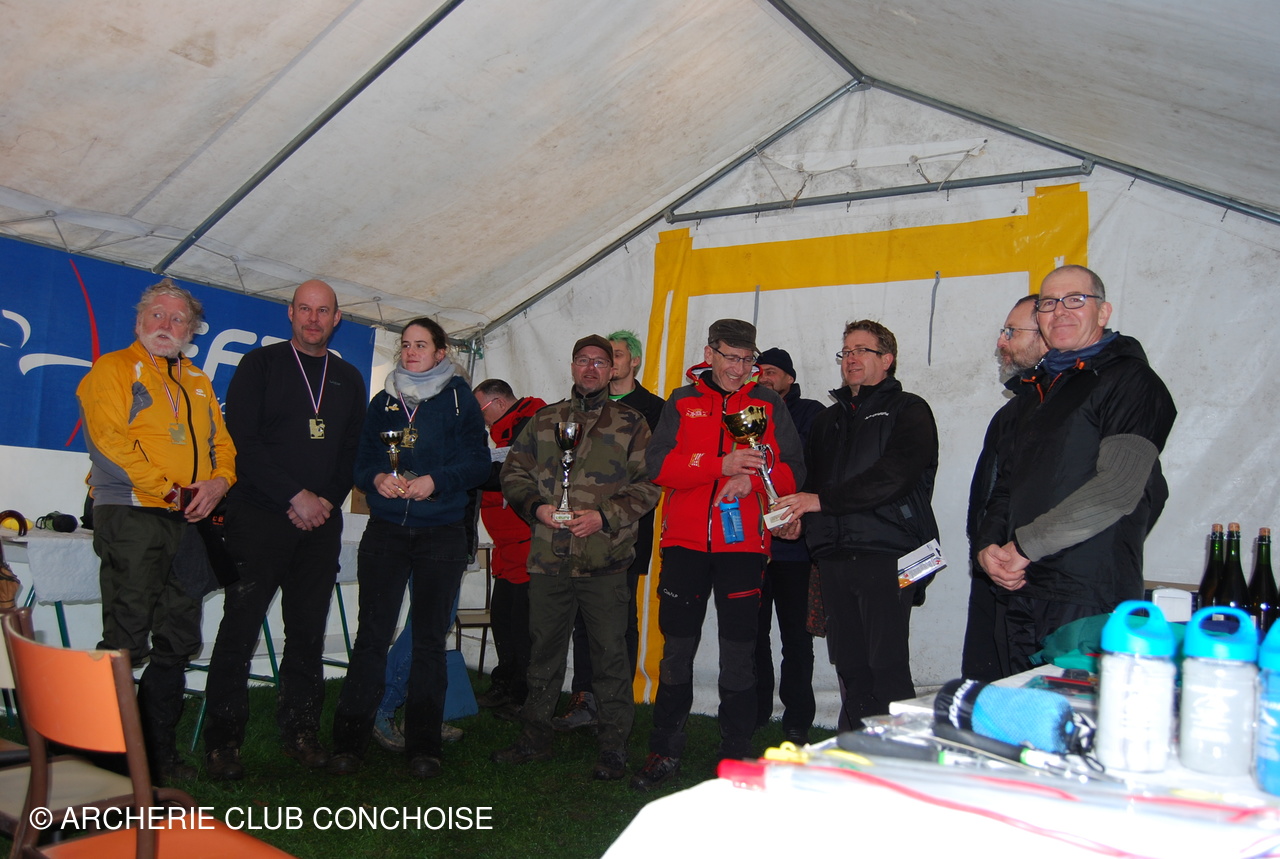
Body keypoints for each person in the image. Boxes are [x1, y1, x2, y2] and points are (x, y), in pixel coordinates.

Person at [977, 265, 1177, 674]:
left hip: (1087, 593)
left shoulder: (1130, 380)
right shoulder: (1037, 391)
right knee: (1022, 704)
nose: (1060, 311)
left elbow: (1118, 489)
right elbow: (1006, 485)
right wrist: (988, 547)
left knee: (1079, 708)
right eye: (1049, 303)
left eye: (1075, 300)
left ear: (1103, 312)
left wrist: (1024, 546)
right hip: (1021, 588)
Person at [203, 280, 366, 780]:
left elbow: (352, 451)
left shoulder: (348, 377)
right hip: (258, 518)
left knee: (307, 633)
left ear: (336, 318)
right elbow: (242, 443)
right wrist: (296, 497)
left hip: (320, 525)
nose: (314, 319)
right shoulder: (260, 365)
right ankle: (222, 743)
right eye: (305, 309)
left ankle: (300, 732)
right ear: (290, 313)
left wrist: (324, 502)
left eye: (323, 311)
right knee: (239, 629)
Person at [632, 319, 804, 791]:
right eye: (730, 357)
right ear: (709, 354)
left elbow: (793, 468)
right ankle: (664, 749)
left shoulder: (767, 402)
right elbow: (657, 465)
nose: (739, 368)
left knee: (739, 652)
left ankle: (737, 754)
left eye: (748, 360)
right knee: (676, 651)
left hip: (744, 546)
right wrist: (719, 466)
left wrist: (752, 479)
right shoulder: (681, 400)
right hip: (684, 545)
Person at [78, 278, 236, 783]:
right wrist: (169, 490)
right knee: (124, 637)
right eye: (157, 315)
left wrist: (219, 482)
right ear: (139, 320)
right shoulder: (113, 369)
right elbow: (109, 443)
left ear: (191, 331)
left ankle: (157, 754)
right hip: (133, 512)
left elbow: (224, 445)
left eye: (178, 319)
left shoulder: (198, 380)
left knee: (178, 636)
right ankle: (106, 762)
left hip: (189, 520)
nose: (166, 325)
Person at [491, 335, 659, 780]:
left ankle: (613, 746)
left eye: (599, 362)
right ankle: (534, 738)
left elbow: (649, 484)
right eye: (583, 360)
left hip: (605, 559)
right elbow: (513, 472)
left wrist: (604, 517)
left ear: (612, 370)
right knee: (543, 653)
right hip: (549, 557)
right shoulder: (545, 420)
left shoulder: (631, 422)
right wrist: (537, 508)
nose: (590, 369)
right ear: (572, 366)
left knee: (610, 656)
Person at [327, 317, 489, 779]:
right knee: (371, 637)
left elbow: (478, 464)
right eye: (405, 345)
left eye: (421, 345)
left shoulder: (458, 398)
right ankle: (349, 743)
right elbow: (361, 462)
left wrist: (436, 480)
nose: (411, 352)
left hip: (441, 532)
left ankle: (424, 746)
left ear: (440, 352)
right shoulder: (383, 400)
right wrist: (377, 477)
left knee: (429, 641)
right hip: (387, 532)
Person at [774, 320, 939, 731]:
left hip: (889, 551)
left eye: (862, 350)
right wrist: (799, 521)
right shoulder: (827, 420)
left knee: (887, 666)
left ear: (888, 359)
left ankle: (902, 754)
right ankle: (858, 751)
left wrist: (820, 502)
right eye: (846, 351)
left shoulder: (910, 410)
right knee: (850, 665)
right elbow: (813, 484)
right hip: (833, 555)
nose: (851, 358)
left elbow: (894, 477)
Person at [553, 329, 664, 732]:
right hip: (577, 530)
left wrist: (612, 512)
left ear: (634, 361)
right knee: (582, 617)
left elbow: (652, 474)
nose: (608, 363)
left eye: (615, 355)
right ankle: (584, 696)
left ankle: (618, 700)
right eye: (602, 356)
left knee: (620, 619)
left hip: (625, 531)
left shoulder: (654, 409)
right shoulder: (576, 408)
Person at [962, 295, 1046, 681]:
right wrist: (984, 546)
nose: (1001, 342)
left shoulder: (1074, 407)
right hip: (994, 567)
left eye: (1011, 332)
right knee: (989, 679)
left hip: (1035, 576)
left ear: (1047, 335)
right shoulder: (1011, 412)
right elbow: (996, 490)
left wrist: (1026, 548)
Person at [751, 347, 825, 744]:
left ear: (790, 379)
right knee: (752, 635)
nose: (764, 376)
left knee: (796, 639)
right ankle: (756, 709)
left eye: (773, 371)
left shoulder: (811, 413)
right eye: (759, 370)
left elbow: (817, 473)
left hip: (795, 549)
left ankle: (798, 717)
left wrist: (802, 520)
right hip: (752, 546)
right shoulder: (744, 413)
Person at [469, 378, 546, 718]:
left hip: (528, 546)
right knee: (502, 619)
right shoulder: (503, 434)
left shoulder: (532, 425)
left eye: (480, 410)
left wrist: (469, 470)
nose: (480, 419)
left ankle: (524, 693)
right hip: (507, 549)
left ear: (499, 403)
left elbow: (507, 476)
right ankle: (505, 682)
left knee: (523, 626)